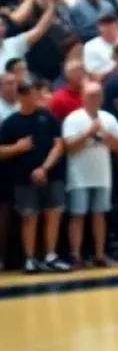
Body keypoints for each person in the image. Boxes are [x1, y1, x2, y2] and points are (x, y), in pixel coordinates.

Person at [0, 79, 69, 273]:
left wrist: (44, 168)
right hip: (23, 177)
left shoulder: (48, 117)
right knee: (29, 216)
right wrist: (17, 148)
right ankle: (30, 258)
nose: (36, 97)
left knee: (53, 213)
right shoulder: (11, 122)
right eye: (31, 94)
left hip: (51, 174)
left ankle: (50, 255)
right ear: (21, 97)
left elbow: (58, 144)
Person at [62, 79, 118, 267]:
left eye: (98, 95)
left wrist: (108, 136)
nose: (95, 99)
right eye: (91, 95)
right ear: (83, 97)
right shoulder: (73, 118)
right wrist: (89, 132)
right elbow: (69, 146)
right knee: (78, 215)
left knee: (100, 214)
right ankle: (75, 255)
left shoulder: (108, 118)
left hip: (102, 174)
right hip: (79, 175)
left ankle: (100, 254)